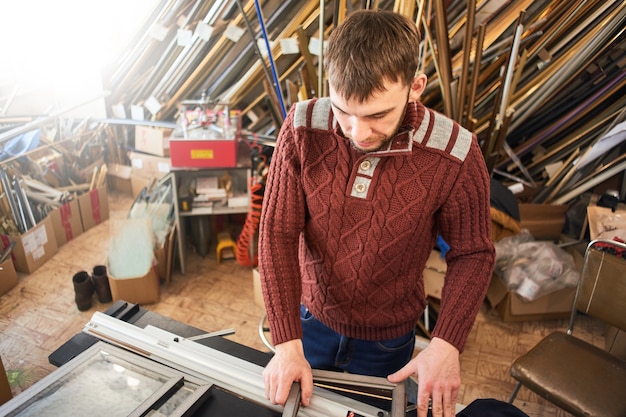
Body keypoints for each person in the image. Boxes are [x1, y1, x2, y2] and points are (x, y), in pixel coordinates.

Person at [258, 9, 495, 417]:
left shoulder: (455, 151)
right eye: (343, 110)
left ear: (415, 87)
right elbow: (277, 233)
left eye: (377, 115)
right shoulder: (301, 128)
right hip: (309, 323)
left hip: (388, 341)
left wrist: (446, 343)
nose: (357, 132)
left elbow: (473, 252)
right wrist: (285, 343)